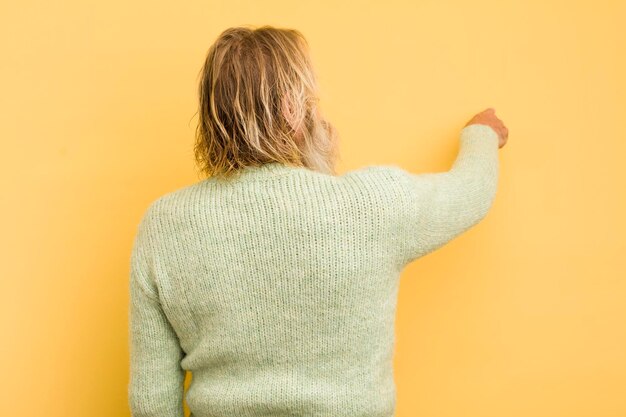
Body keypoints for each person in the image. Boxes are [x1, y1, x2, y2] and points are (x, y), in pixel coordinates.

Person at [127, 24, 509, 417]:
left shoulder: (163, 226)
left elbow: (152, 403)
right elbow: (471, 191)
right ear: (292, 108)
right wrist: (481, 133)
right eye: (313, 101)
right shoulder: (373, 205)